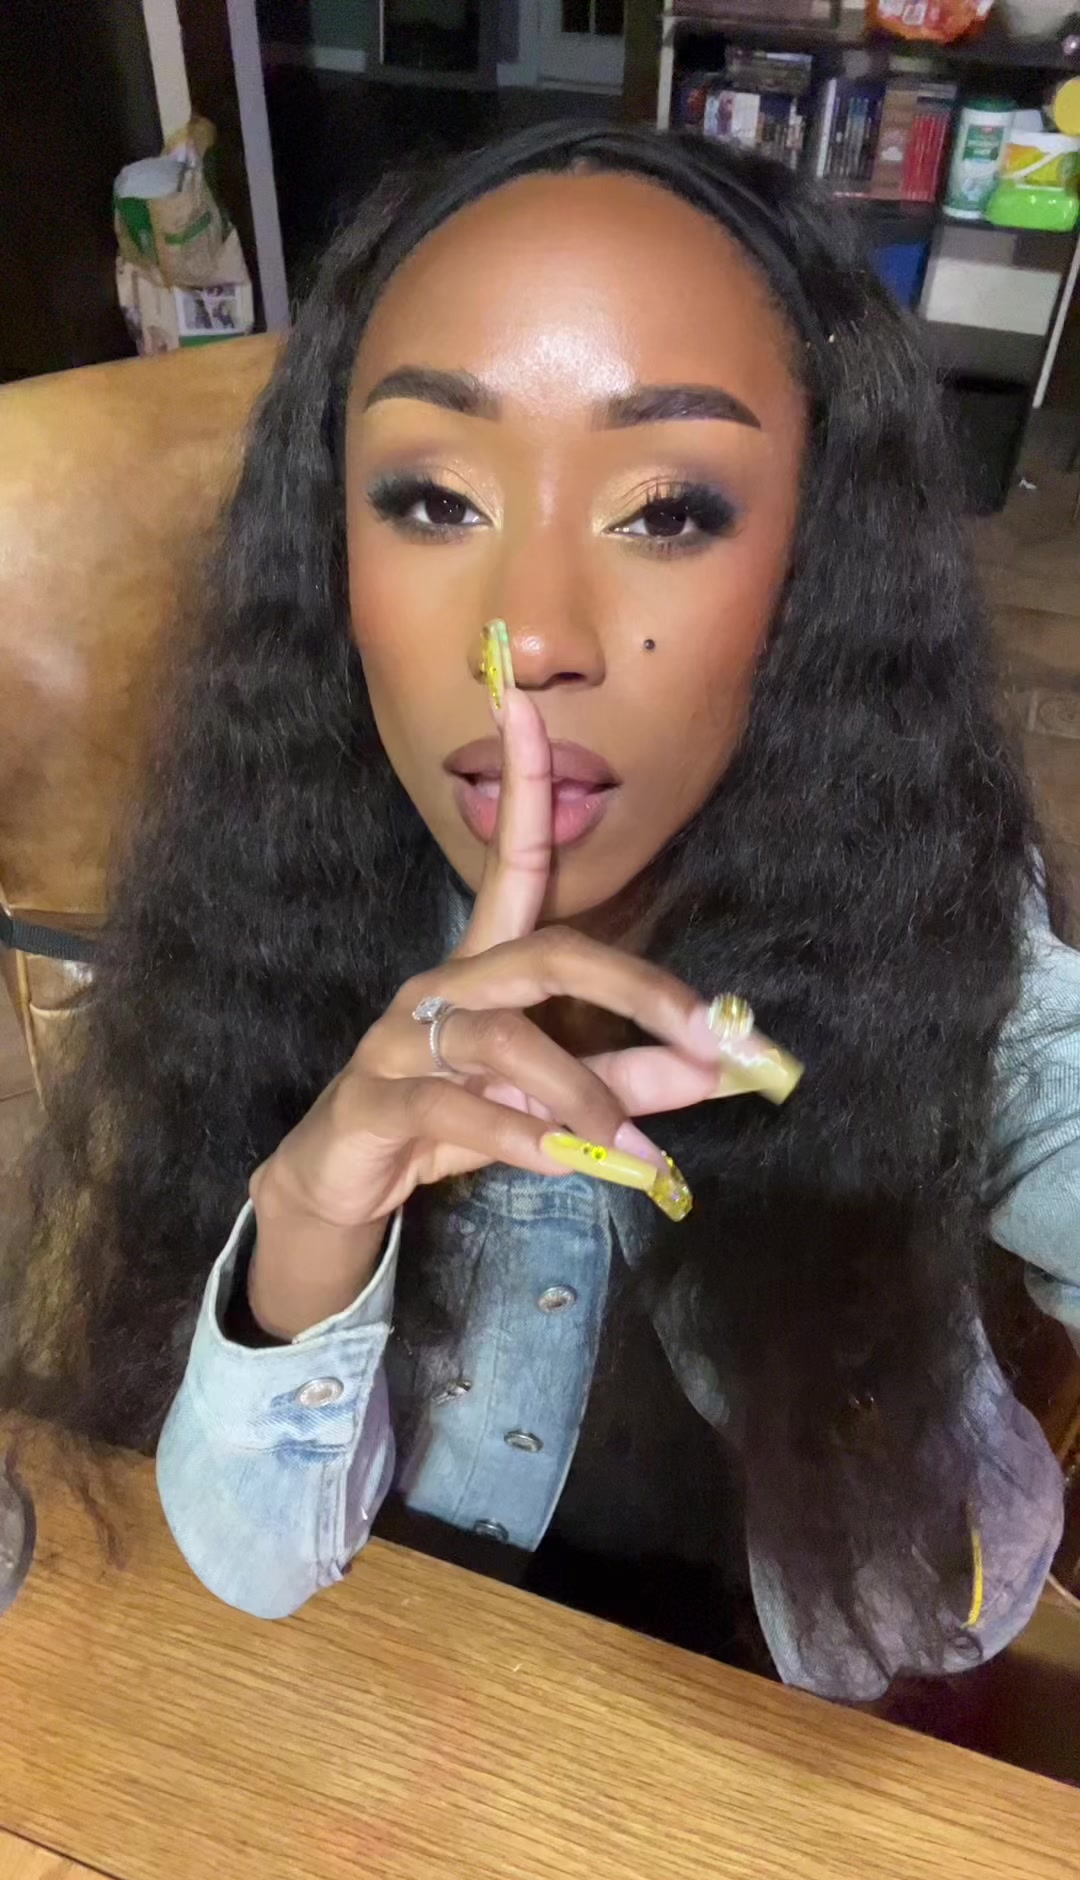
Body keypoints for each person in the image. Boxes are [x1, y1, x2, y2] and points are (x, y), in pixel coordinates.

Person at [7, 124, 1079, 1704]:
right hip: (403, 1717)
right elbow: (251, 1565)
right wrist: (316, 1210)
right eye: (434, 499)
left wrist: (829, 1234)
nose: (531, 633)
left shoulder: (938, 931)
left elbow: (931, 1627)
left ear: (817, 566)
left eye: (671, 510)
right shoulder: (279, 900)